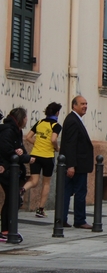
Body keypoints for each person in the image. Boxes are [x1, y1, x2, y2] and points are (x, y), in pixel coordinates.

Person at [0, 108, 35, 241]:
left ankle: (8, 229)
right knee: (12, 199)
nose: (27, 120)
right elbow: (7, 151)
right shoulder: (8, 131)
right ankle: (6, 229)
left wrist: (23, 155)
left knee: (13, 199)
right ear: (20, 118)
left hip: (13, 170)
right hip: (7, 170)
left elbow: (20, 149)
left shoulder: (16, 131)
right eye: (26, 117)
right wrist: (24, 157)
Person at [61, 96, 94, 229]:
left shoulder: (75, 120)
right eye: (82, 104)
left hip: (77, 164)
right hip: (76, 165)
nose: (85, 106)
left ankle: (62, 218)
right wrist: (71, 165)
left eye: (86, 103)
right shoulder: (73, 121)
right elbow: (70, 144)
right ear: (74, 105)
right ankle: (79, 220)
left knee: (68, 191)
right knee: (78, 193)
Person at [24, 101, 62, 218]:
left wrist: (38, 143)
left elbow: (28, 137)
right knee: (46, 183)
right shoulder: (56, 125)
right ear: (57, 113)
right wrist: (56, 148)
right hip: (47, 156)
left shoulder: (39, 122)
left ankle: (21, 189)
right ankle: (40, 210)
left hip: (35, 155)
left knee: (34, 181)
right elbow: (53, 140)